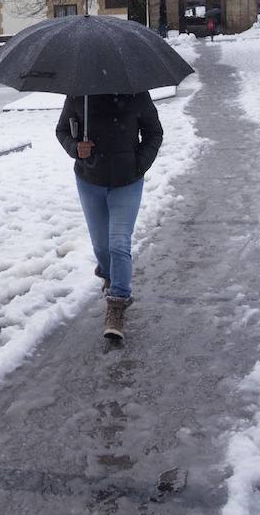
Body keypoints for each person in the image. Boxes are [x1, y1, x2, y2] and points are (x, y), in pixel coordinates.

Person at [56, 92, 164, 339]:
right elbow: (62, 130)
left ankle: (117, 303)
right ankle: (108, 275)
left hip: (127, 182)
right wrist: (76, 148)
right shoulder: (79, 95)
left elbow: (154, 133)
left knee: (118, 244)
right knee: (101, 246)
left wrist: (139, 164)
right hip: (89, 180)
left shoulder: (136, 94)